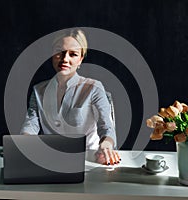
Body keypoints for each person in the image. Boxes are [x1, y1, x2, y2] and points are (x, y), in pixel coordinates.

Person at [20, 28, 120, 165]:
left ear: (80, 59)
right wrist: (24, 142)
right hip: (51, 160)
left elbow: (106, 126)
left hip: (88, 161)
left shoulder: (94, 88)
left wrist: (106, 144)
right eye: (59, 52)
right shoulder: (38, 90)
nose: (65, 59)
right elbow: (31, 124)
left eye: (73, 54)